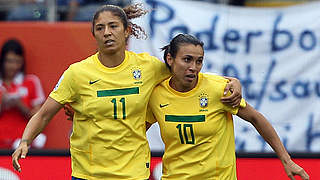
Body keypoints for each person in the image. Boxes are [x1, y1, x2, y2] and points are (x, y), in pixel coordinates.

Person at [11, 4, 242, 179]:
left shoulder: (148, 66)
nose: (107, 32)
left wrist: (231, 82)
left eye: (113, 26)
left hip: (133, 172)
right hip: (88, 173)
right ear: (94, 34)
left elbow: (186, 71)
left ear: (127, 31)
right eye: (100, 28)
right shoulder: (77, 73)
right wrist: (25, 140)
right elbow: (43, 113)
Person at [146, 34, 310, 180]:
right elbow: (136, 131)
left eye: (199, 61)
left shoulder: (219, 89)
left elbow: (256, 118)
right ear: (170, 59)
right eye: (187, 59)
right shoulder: (156, 95)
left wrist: (287, 160)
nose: (193, 67)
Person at [0, 39, 46, 149]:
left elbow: (39, 117)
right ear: (2, 61)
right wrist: (3, 102)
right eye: (9, 61)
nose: (13, 66)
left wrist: (20, 105)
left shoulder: (31, 82)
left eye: (17, 62)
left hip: (22, 142)